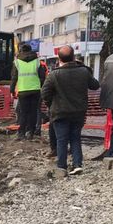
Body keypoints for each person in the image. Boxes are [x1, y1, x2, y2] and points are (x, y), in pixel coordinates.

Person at [41, 45, 100, 175]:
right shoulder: (83, 72)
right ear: (74, 57)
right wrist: (85, 68)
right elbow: (95, 85)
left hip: (60, 112)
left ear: (59, 59)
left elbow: (44, 93)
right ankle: (77, 164)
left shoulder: (54, 74)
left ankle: (62, 167)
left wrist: (51, 105)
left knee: (61, 140)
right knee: (75, 137)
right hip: (78, 111)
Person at [10, 43, 47, 140]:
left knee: (23, 112)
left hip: (23, 90)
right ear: (31, 50)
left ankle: (21, 132)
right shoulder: (37, 62)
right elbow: (42, 77)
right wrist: (39, 86)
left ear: (21, 51)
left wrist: (12, 90)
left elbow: (14, 78)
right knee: (33, 112)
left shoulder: (17, 62)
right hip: (35, 90)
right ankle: (31, 132)